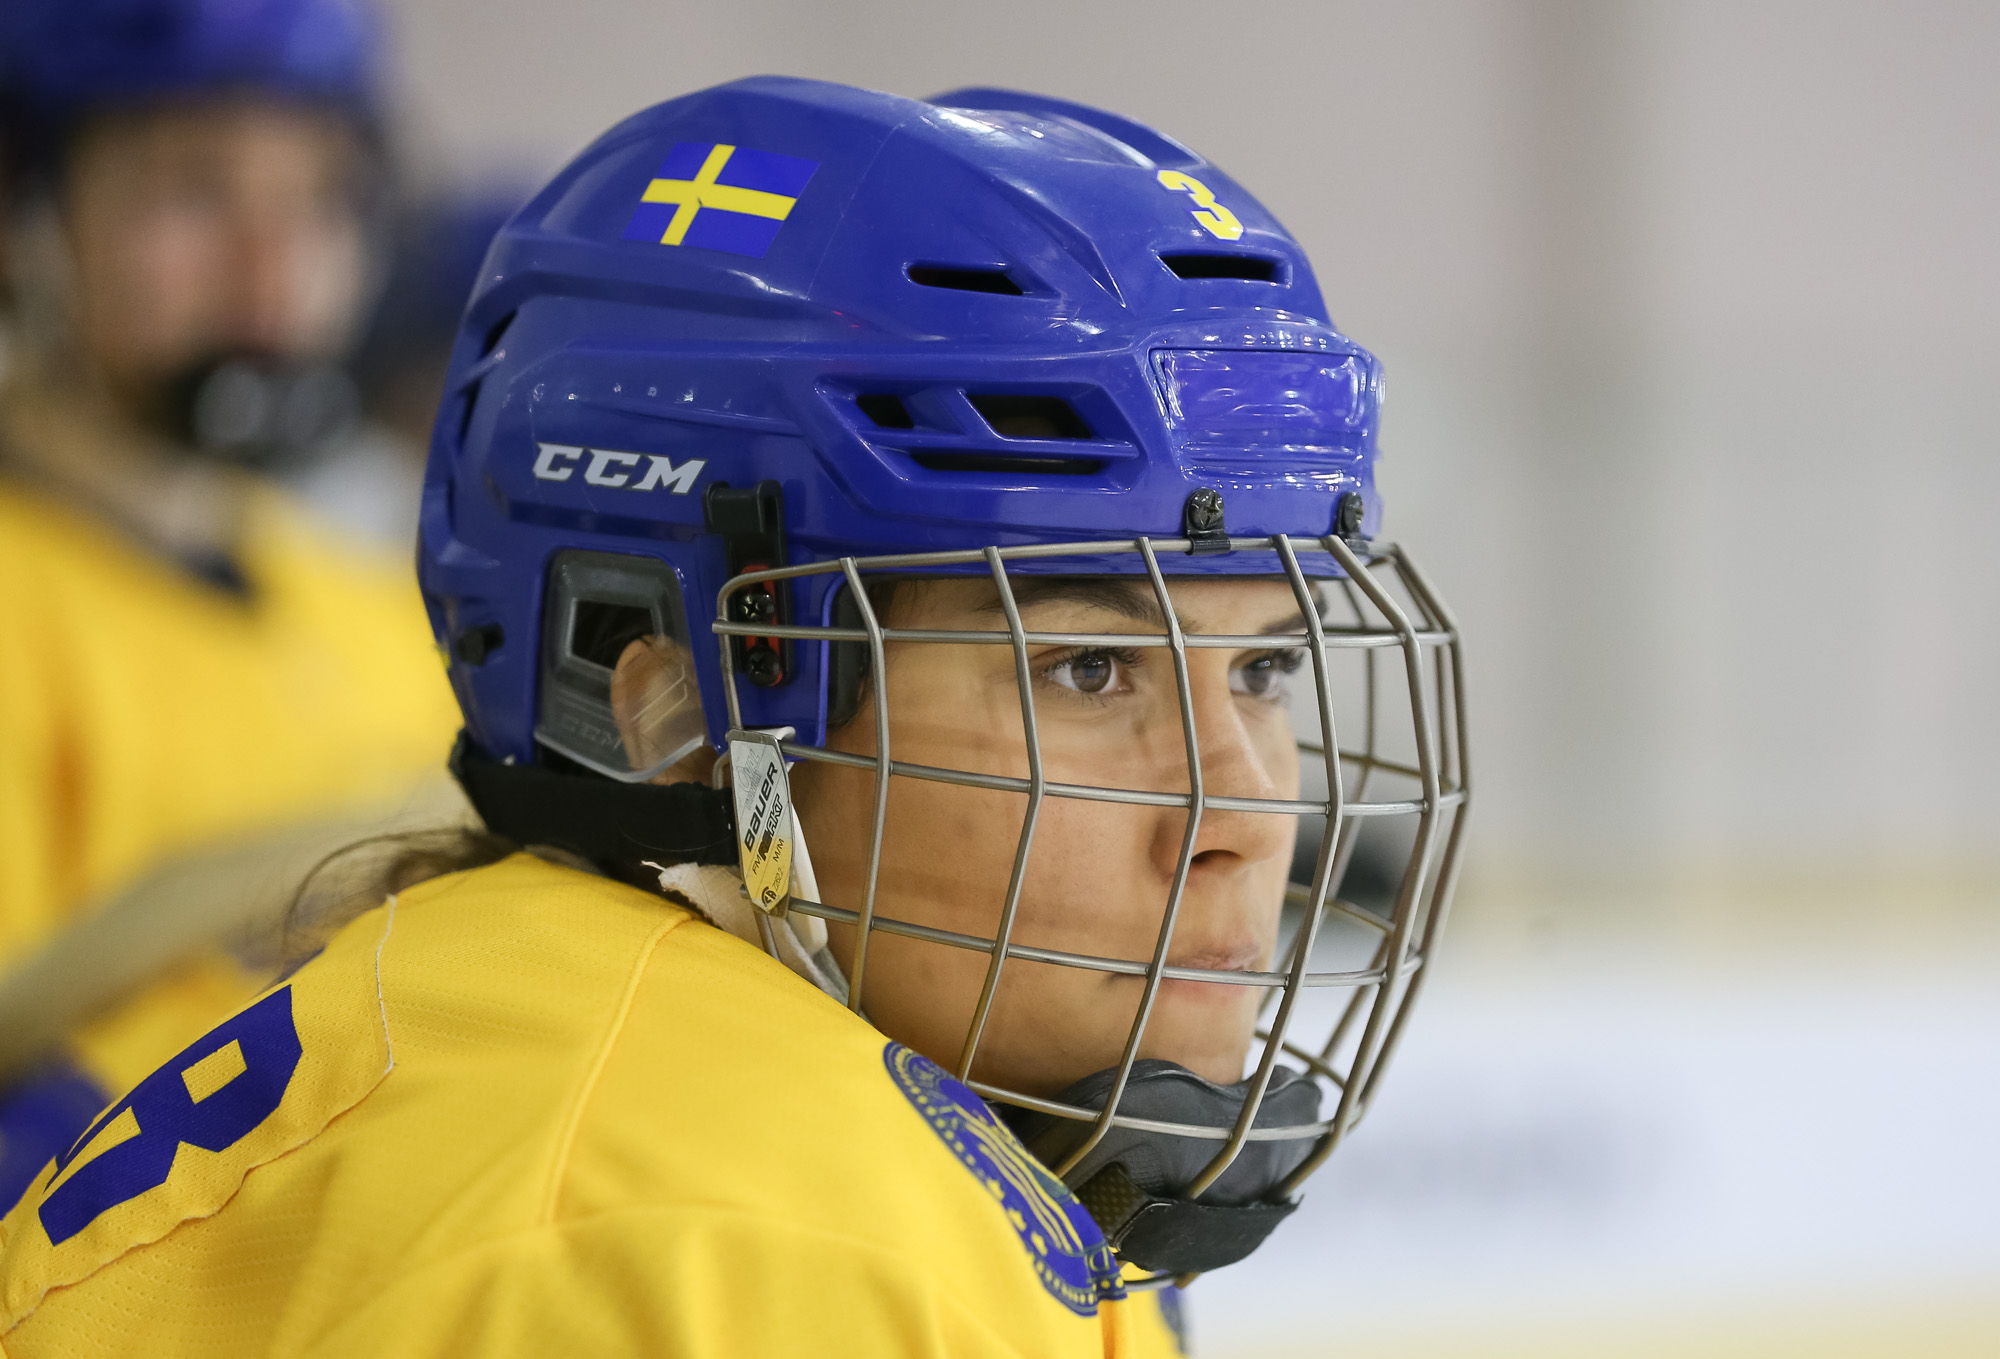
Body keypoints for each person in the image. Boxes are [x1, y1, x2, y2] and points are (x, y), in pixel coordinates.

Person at [0, 77, 1469, 1355]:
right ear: (679, 705)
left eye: (1265, 670)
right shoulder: (754, 1234)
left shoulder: (553, 1021)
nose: (1244, 821)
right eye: (1088, 670)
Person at [0, 0, 459, 1208]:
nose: (269, 272)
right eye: (191, 197)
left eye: (318, 204)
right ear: (29, 225)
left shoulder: (369, 600)